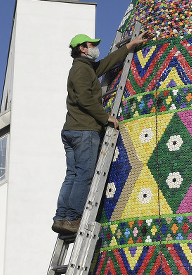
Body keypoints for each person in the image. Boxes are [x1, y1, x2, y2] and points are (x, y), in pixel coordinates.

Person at [52, 30, 151, 236]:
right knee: (85, 176)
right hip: (84, 130)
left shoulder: (85, 68)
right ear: (82, 48)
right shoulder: (80, 70)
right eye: (91, 45)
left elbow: (106, 64)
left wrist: (130, 46)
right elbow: (85, 100)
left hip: (73, 129)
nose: (94, 48)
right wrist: (107, 118)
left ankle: (61, 218)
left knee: (72, 175)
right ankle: (71, 218)